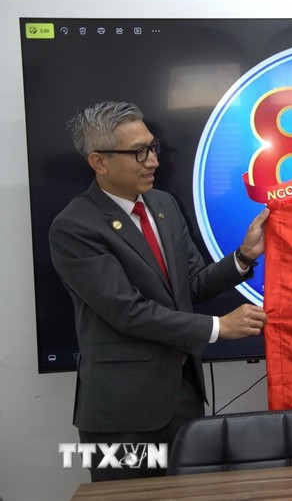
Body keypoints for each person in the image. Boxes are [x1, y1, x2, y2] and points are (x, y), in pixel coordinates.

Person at [49, 101, 270, 481]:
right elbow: (126, 311)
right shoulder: (74, 227)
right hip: (120, 414)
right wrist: (218, 328)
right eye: (139, 152)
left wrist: (244, 257)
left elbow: (192, 284)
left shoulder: (162, 204)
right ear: (99, 162)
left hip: (183, 401)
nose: (152, 161)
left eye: (153, 148)